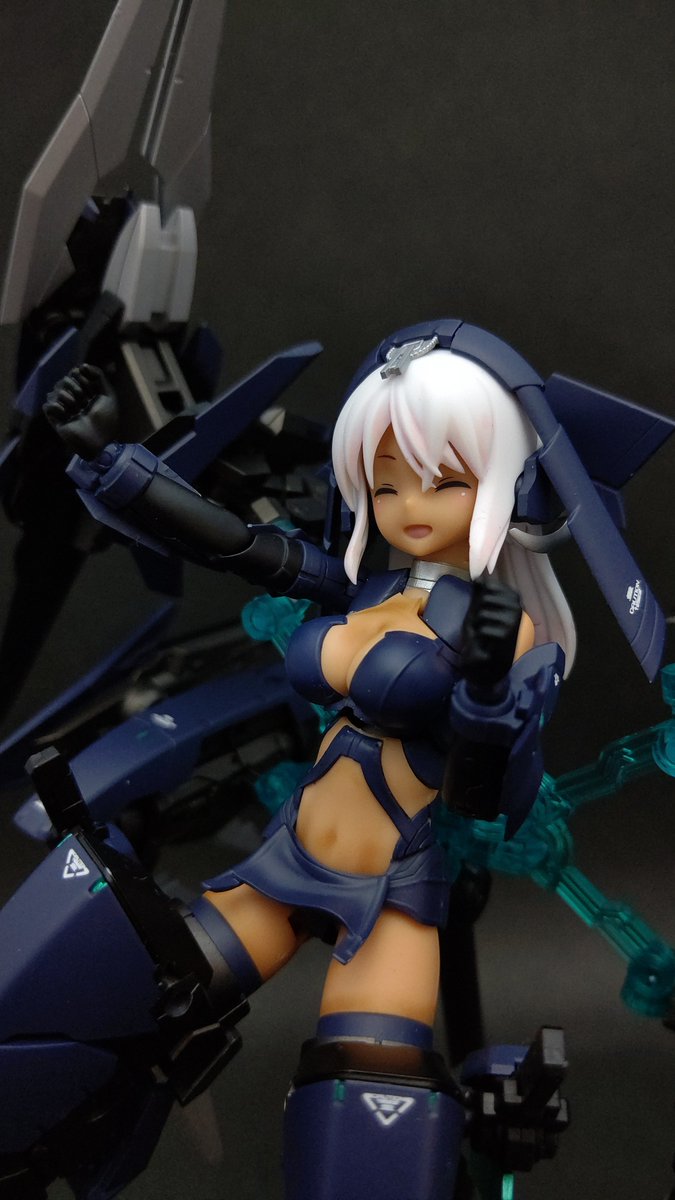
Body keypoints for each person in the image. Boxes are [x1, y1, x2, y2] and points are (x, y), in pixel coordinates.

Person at [45, 322, 580, 1199]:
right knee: (121, 1004)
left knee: (367, 1105)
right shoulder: (363, 586)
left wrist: (488, 696)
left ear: (503, 484)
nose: (409, 504)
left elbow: (489, 800)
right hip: (280, 868)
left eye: (444, 480)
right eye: (386, 482)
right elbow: (231, 542)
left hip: (391, 897)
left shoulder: (505, 629)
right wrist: (112, 463)